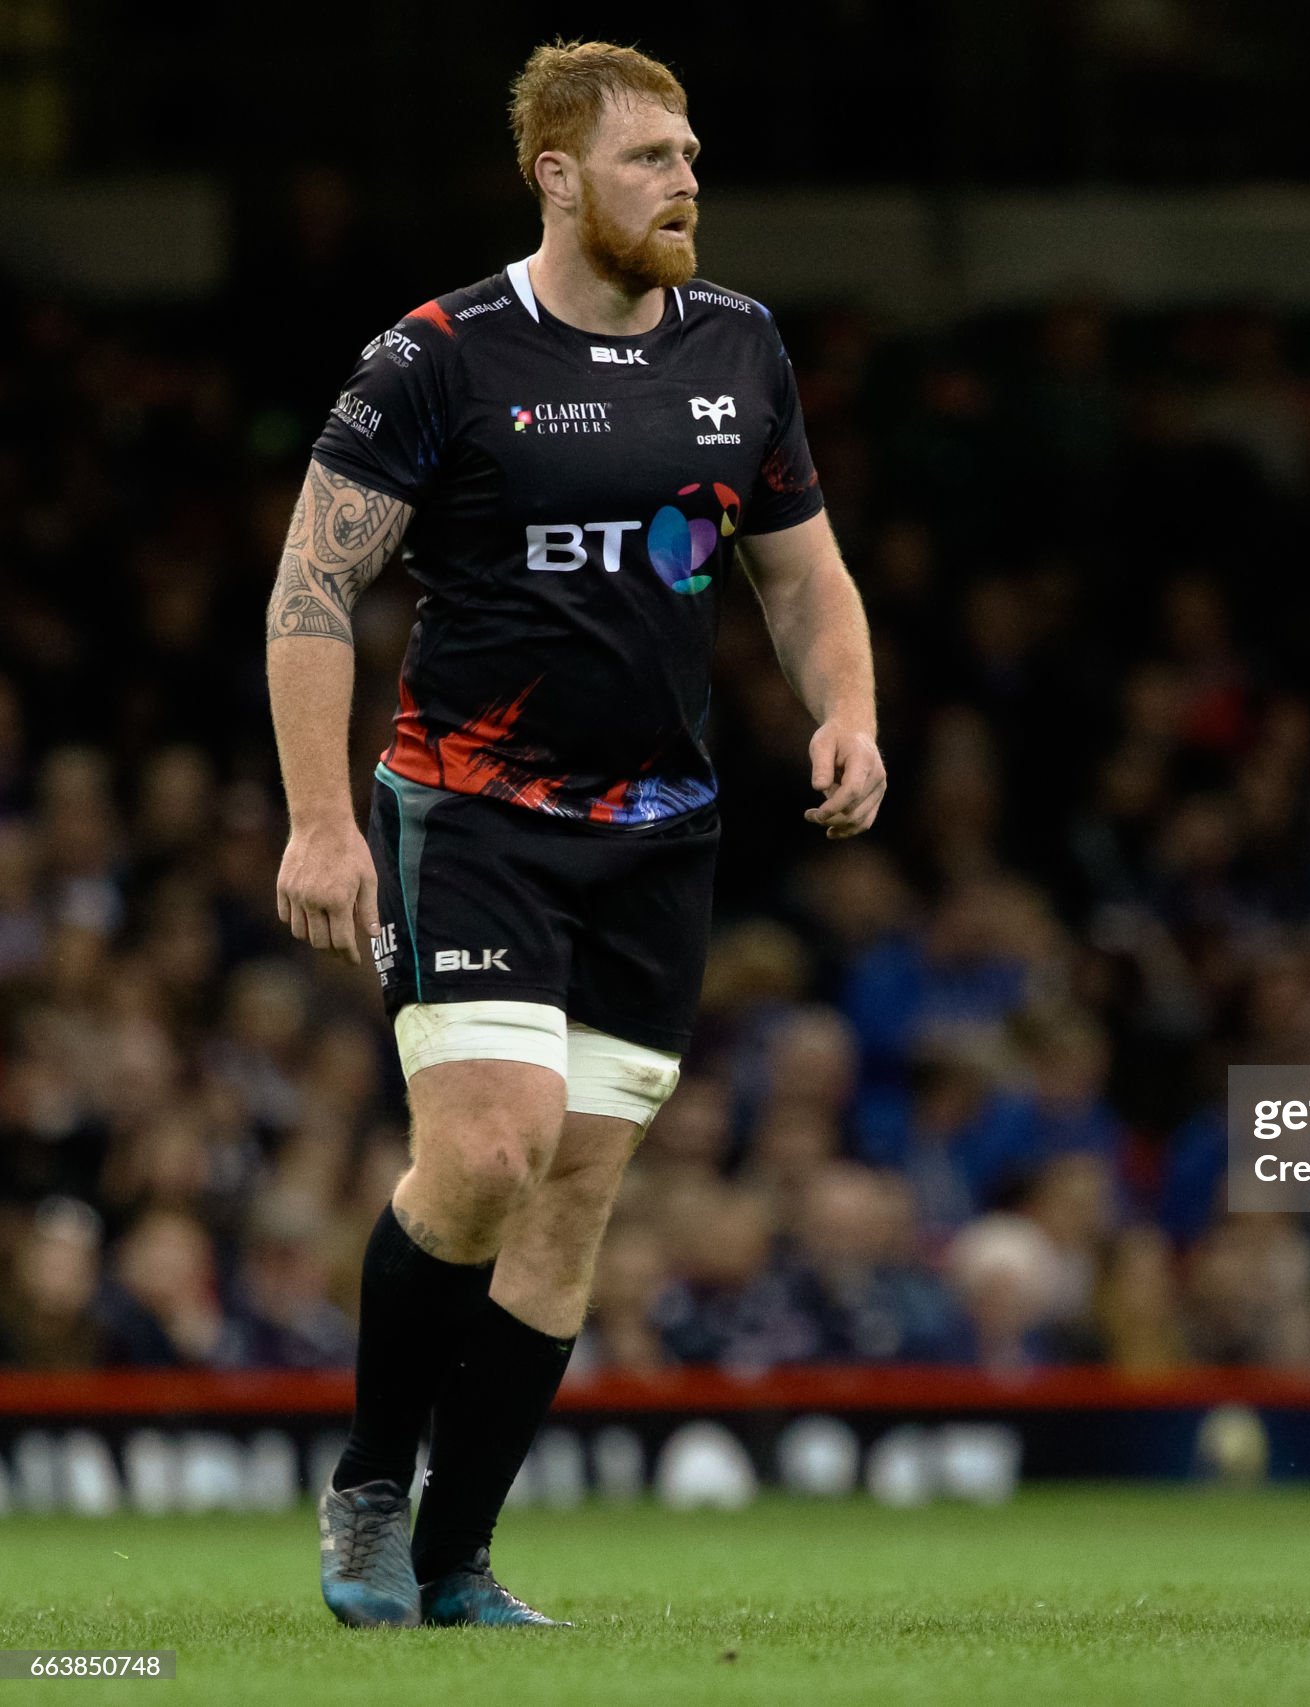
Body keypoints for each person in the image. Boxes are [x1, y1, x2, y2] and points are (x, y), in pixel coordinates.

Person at [265, 39, 884, 1628]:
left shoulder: (741, 347)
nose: (687, 182)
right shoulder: (436, 357)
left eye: (690, 154)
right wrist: (323, 821)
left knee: (574, 1192)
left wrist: (848, 711)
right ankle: (367, 1494)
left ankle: (458, 1560)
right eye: (650, 158)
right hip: (471, 810)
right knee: (485, 1150)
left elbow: (801, 573)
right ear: (557, 173)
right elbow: (315, 586)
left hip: (660, 835)